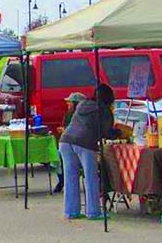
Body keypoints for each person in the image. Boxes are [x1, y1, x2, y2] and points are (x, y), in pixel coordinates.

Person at [59, 84, 118, 220]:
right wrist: (119, 132)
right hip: (85, 142)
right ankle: (93, 211)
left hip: (66, 140)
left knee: (70, 177)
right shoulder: (104, 110)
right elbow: (106, 132)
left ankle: (71, 211)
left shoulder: (82, 104)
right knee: (91, 177)